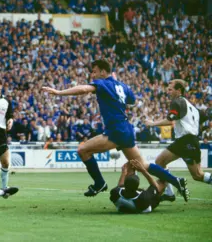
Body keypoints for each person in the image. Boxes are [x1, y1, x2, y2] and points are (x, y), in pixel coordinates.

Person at [41, 60, 189, 200]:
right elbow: (131, 100)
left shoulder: (102, 83)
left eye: (94, 72)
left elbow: (85, 89)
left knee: (83, 150)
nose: (92, 75)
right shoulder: (123, 86)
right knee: (143, 164)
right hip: (126, 128)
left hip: (116, 130)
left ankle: (99, 183)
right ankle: (176, 181)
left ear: (103, 72)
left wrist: (59, 92)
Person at [145, 79, 211, 202]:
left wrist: (152, 123)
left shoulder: (177, 102)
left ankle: (170, 190)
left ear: (178, 91)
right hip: (187, 141)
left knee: (197, 175)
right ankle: (170, 193)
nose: (167, 92)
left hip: (187, 142)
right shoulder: (192, 106)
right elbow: (202, 120)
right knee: (160, 162)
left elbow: (170, 120)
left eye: (170, 89)